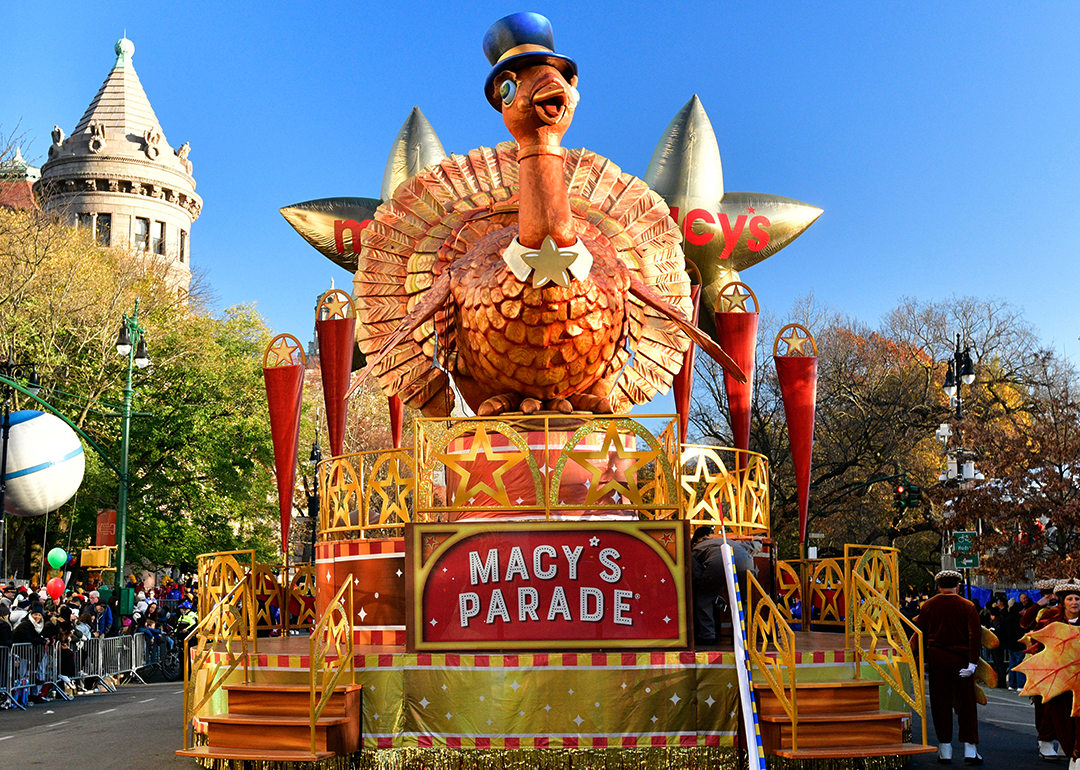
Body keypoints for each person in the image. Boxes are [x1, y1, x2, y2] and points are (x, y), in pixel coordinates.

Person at [914, 569, 982, 765]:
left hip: (937, 659)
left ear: (938, 586)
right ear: (958, 586)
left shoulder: (928, 605)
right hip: (961, 659)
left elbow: (922, 634)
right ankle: (970, 748)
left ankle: (945, 749)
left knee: (940, 703)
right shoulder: (967, 606)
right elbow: (974, 636)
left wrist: (925, 660)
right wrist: (972, 663)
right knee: (967, 704)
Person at [1023, 579, 1067, 761]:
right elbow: (1025, 624)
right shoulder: (1049, 612)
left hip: (1069, 662)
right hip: (1042, 660)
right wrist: (1036, 605)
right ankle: (1045, 738)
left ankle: (1066, 741)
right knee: (1044, 702)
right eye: (1045, 593)